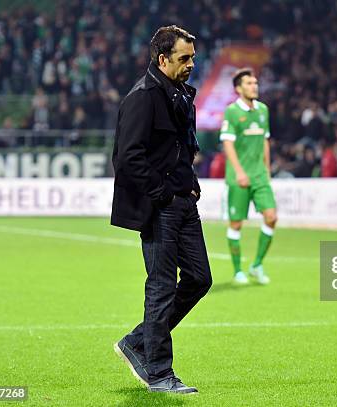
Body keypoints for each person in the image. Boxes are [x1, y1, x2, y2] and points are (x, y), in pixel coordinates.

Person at [110, 25, 211, 394]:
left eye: (193, 58)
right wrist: (163, 194)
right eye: (184, 59)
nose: (191, 65)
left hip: (184, 200)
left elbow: (180, 147)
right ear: (163, 58)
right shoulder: (142, 97)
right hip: (162, 207)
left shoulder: (181, 93)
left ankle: (138, 341)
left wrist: (190, 181)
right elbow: (127, 158)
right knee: (162, 286)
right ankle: (158, 372)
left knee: (200, 279)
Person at [220, 68, 277, 285]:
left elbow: (264, 141)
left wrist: (267, 170)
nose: (254, 86)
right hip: (238, 177)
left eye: (255, 82)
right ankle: (237, 271)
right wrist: (239, 172)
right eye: (249, 83)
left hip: (260, 175)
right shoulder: (232, 112)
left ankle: (257, 265)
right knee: (236, 224)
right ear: (238, 88)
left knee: (271, 217)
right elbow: (227, 143)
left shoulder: (263, 110)